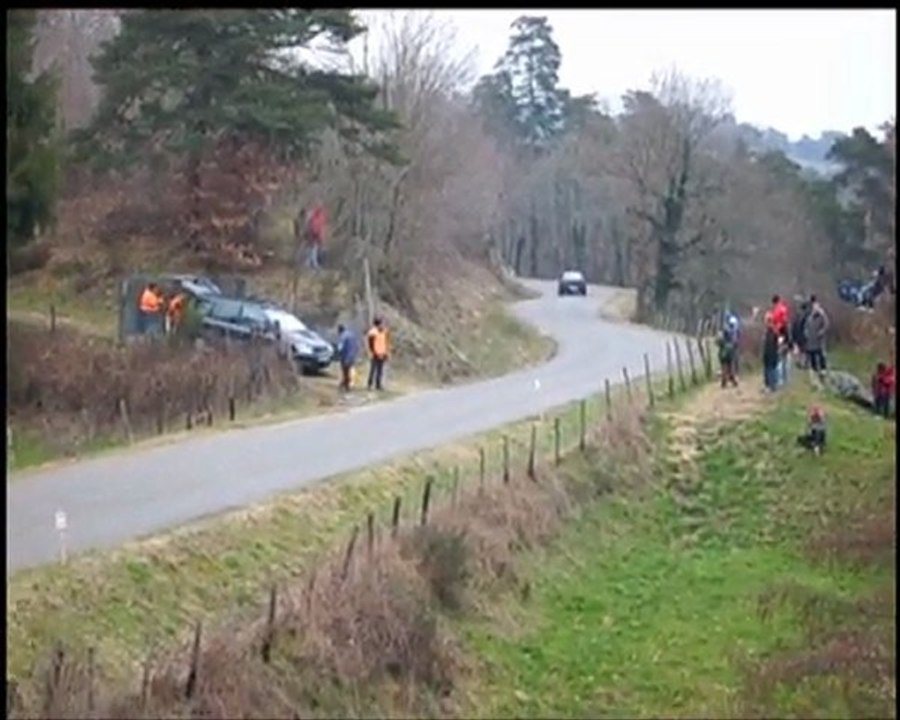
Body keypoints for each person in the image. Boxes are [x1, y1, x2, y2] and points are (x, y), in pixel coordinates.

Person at [803, 295, 830, 374]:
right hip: (811, 339)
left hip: (819, 339)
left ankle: (823, 368)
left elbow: (826, 324)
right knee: (812, 354)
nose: (815, 309)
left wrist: (822, 331)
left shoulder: (822, 316)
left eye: (816, 308)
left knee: (821, 353)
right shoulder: (809, 317)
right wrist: (806, 332)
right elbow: (806, 326)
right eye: (814, 308)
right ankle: (814, 369)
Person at [366, 316, 390, 391]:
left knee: (380, 370)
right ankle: (369, 384)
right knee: (373, 370)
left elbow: (386, 343)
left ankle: (378, 385)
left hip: (382, 353)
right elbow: (371, 345)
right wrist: (375, 353)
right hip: (375, 354)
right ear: (378, 324)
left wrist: (386, 352)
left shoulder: (384, 332)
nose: (383, 325)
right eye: (382, 323)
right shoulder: (372, 333)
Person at [336, 323, 359, 392]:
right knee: (350, 369)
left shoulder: (343, 336)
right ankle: (347, 384)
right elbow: (357, 345)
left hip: (345, 356)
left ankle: (346, 385)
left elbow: (340, 347)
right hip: (352, 355)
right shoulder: (352, 335)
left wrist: (337, 354)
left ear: (339, 330)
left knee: (345, 371)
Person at [762, 314, 780, 392]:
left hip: (771, 353)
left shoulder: (773, 331)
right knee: (768, 370)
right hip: (767, 353)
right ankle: (769, 385)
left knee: (771, 370)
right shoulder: (767, 331)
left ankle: (771, 386)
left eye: (766, 320)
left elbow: (774, 343)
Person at [305, 202, 326, 270]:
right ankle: (311, 263)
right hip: (312, 232)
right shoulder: (312, 214)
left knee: (314, 248)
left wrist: (321, 235)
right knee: (312, 248)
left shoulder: (321, 215)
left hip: (316, 233)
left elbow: (321, 226)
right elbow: (308, 222)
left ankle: (310, 263)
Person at [791, 301, 811, 369]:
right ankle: (805, 363)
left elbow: (793, 327)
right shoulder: (807, 316)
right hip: (804, 335)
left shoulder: (797, 316)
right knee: (805, 350)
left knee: (800, 350)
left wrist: (793, 338)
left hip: (797, 336)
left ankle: (799, 362)